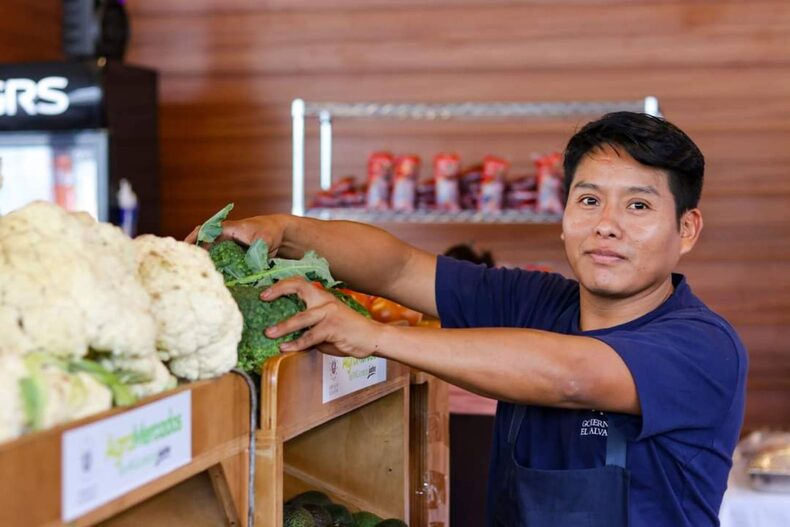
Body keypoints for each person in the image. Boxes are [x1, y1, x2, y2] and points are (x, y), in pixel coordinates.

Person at [191, 112, 747, 526]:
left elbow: (572, 376)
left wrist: (376, 337)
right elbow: (398, 268)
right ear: (565, 215)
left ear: (688, 229)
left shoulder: (703, 345)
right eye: (589, 200)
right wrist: (286, 230)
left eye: (639, 206)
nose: (606, 225)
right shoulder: (534, 302)